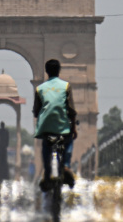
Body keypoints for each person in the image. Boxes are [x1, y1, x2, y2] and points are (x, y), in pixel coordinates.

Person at [33, 59, 77, 191]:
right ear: (59, 71)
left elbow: (36, 111)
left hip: (46, 128)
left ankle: (47, 173)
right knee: (68, 140)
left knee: (46, 146)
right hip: (63, 127)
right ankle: (66, 165)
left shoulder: (40, 89)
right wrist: (74, 128)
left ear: (46, 72)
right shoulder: (66, 86)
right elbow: (72, 111)